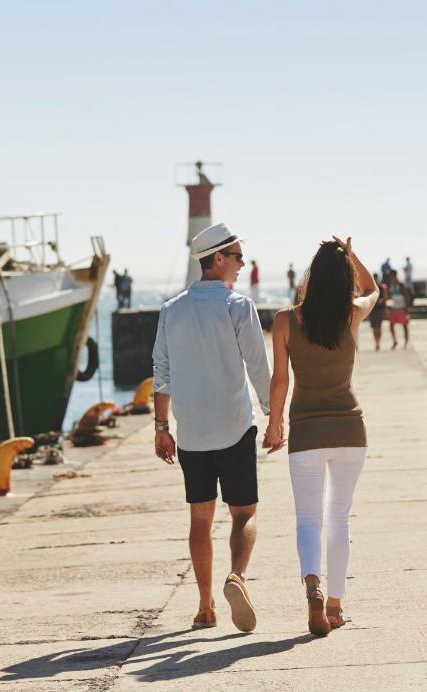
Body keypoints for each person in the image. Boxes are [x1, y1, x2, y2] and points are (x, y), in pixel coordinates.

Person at [152, 222, 273, 632]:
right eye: (237, 256)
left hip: (191, 433)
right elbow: (259, 366)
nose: (242, 264)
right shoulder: (238, 307)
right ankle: (236, 576)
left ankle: (205, 608)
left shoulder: (171, 310)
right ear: (218, 258)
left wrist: (160, 426)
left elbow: (162, 373)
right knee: (244, 513)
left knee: (199, 519)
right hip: (235, 427)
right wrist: (275, 414)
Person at [264, 236, 378, 636]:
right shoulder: (352, 314)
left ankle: (312, 584)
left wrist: (274, 423)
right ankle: (334, 605)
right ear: (343, 278)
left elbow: (279, 380)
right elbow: (374, 289)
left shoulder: (285, 320)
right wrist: (351, 254)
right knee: (339, 518)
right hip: (351, 429)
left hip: (307, 434)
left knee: (309, 518)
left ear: (311, 277)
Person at [387, 269, 410, 349]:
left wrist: (406, 308)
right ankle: (395, 341)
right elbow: (390, 297)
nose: (390, 277)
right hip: (394, 309)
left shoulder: (401, 285)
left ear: (394, 275)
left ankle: (406, 342)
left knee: (404, 326)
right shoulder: (391, 285)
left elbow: (406, 297)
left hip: (402, 308)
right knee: (391, 325)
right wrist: (389, 307)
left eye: (391, 275)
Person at [369, 272, 388, 351]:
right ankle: (376, 342)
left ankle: (378, 342)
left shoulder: (382, 287)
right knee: (374, 328)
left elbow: (385, 297)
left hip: (380, 309)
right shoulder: (370, 287)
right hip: (373, 309)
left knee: (378, 327)